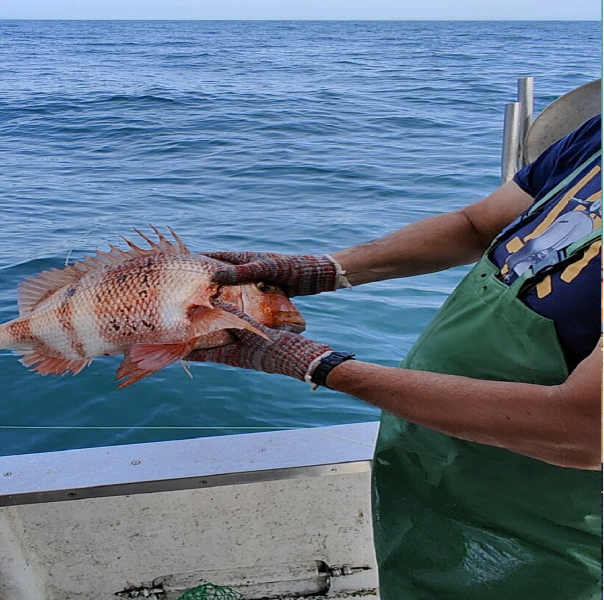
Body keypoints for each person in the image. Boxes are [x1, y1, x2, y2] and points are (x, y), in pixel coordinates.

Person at [189, 113, 602, 600]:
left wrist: (318, 364)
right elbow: (477, 225)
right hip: (441, 463)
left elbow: (583, 430)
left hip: (556, 524)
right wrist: (327, 269)